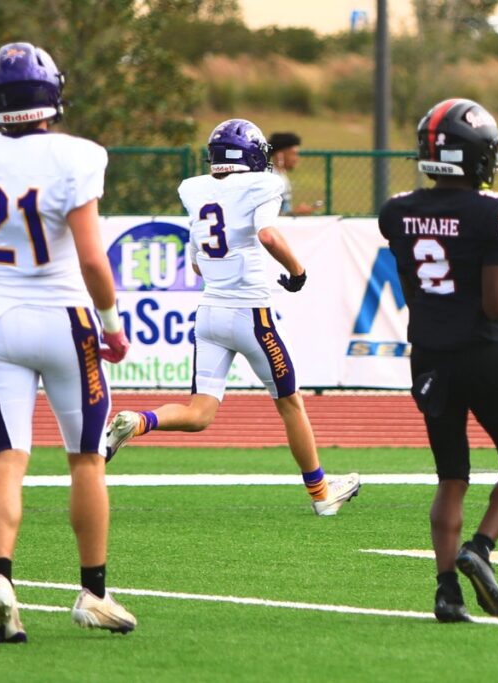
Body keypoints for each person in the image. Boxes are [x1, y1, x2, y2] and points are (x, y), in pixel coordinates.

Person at [0, 42, 137, 643]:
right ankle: (93, 593)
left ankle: (1, 580)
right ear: (52, 96)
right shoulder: (74, 156)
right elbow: (93, 260)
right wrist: (112, 325)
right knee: (87, 460)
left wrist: (12, 267)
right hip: (66, 320)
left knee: (7, 456)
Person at [104, 118, 360, 517]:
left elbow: (197, 263)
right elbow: (268, 235)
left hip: (209, 314)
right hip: (251, 315)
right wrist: (297, 272)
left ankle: (138, 421)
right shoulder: (262, 185)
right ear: (252, 155)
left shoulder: (198, 191)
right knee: (291, 404)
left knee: (199, 413)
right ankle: (321, 493)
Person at [379, 98, 498, 623]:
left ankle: (446, 591)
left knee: (451, 476)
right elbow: (495, 303)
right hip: (483, 351)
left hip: (429, 356)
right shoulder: (494, 212)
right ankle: (481, 547)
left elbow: (421, 281)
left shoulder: (397, 211)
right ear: (476, 155)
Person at [267, 131, 315, 216]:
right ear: (280, 155)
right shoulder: (271, 179)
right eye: (293, 154)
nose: (297, 158)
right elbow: (269, 215)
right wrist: (295, 213)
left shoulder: (282, 176)